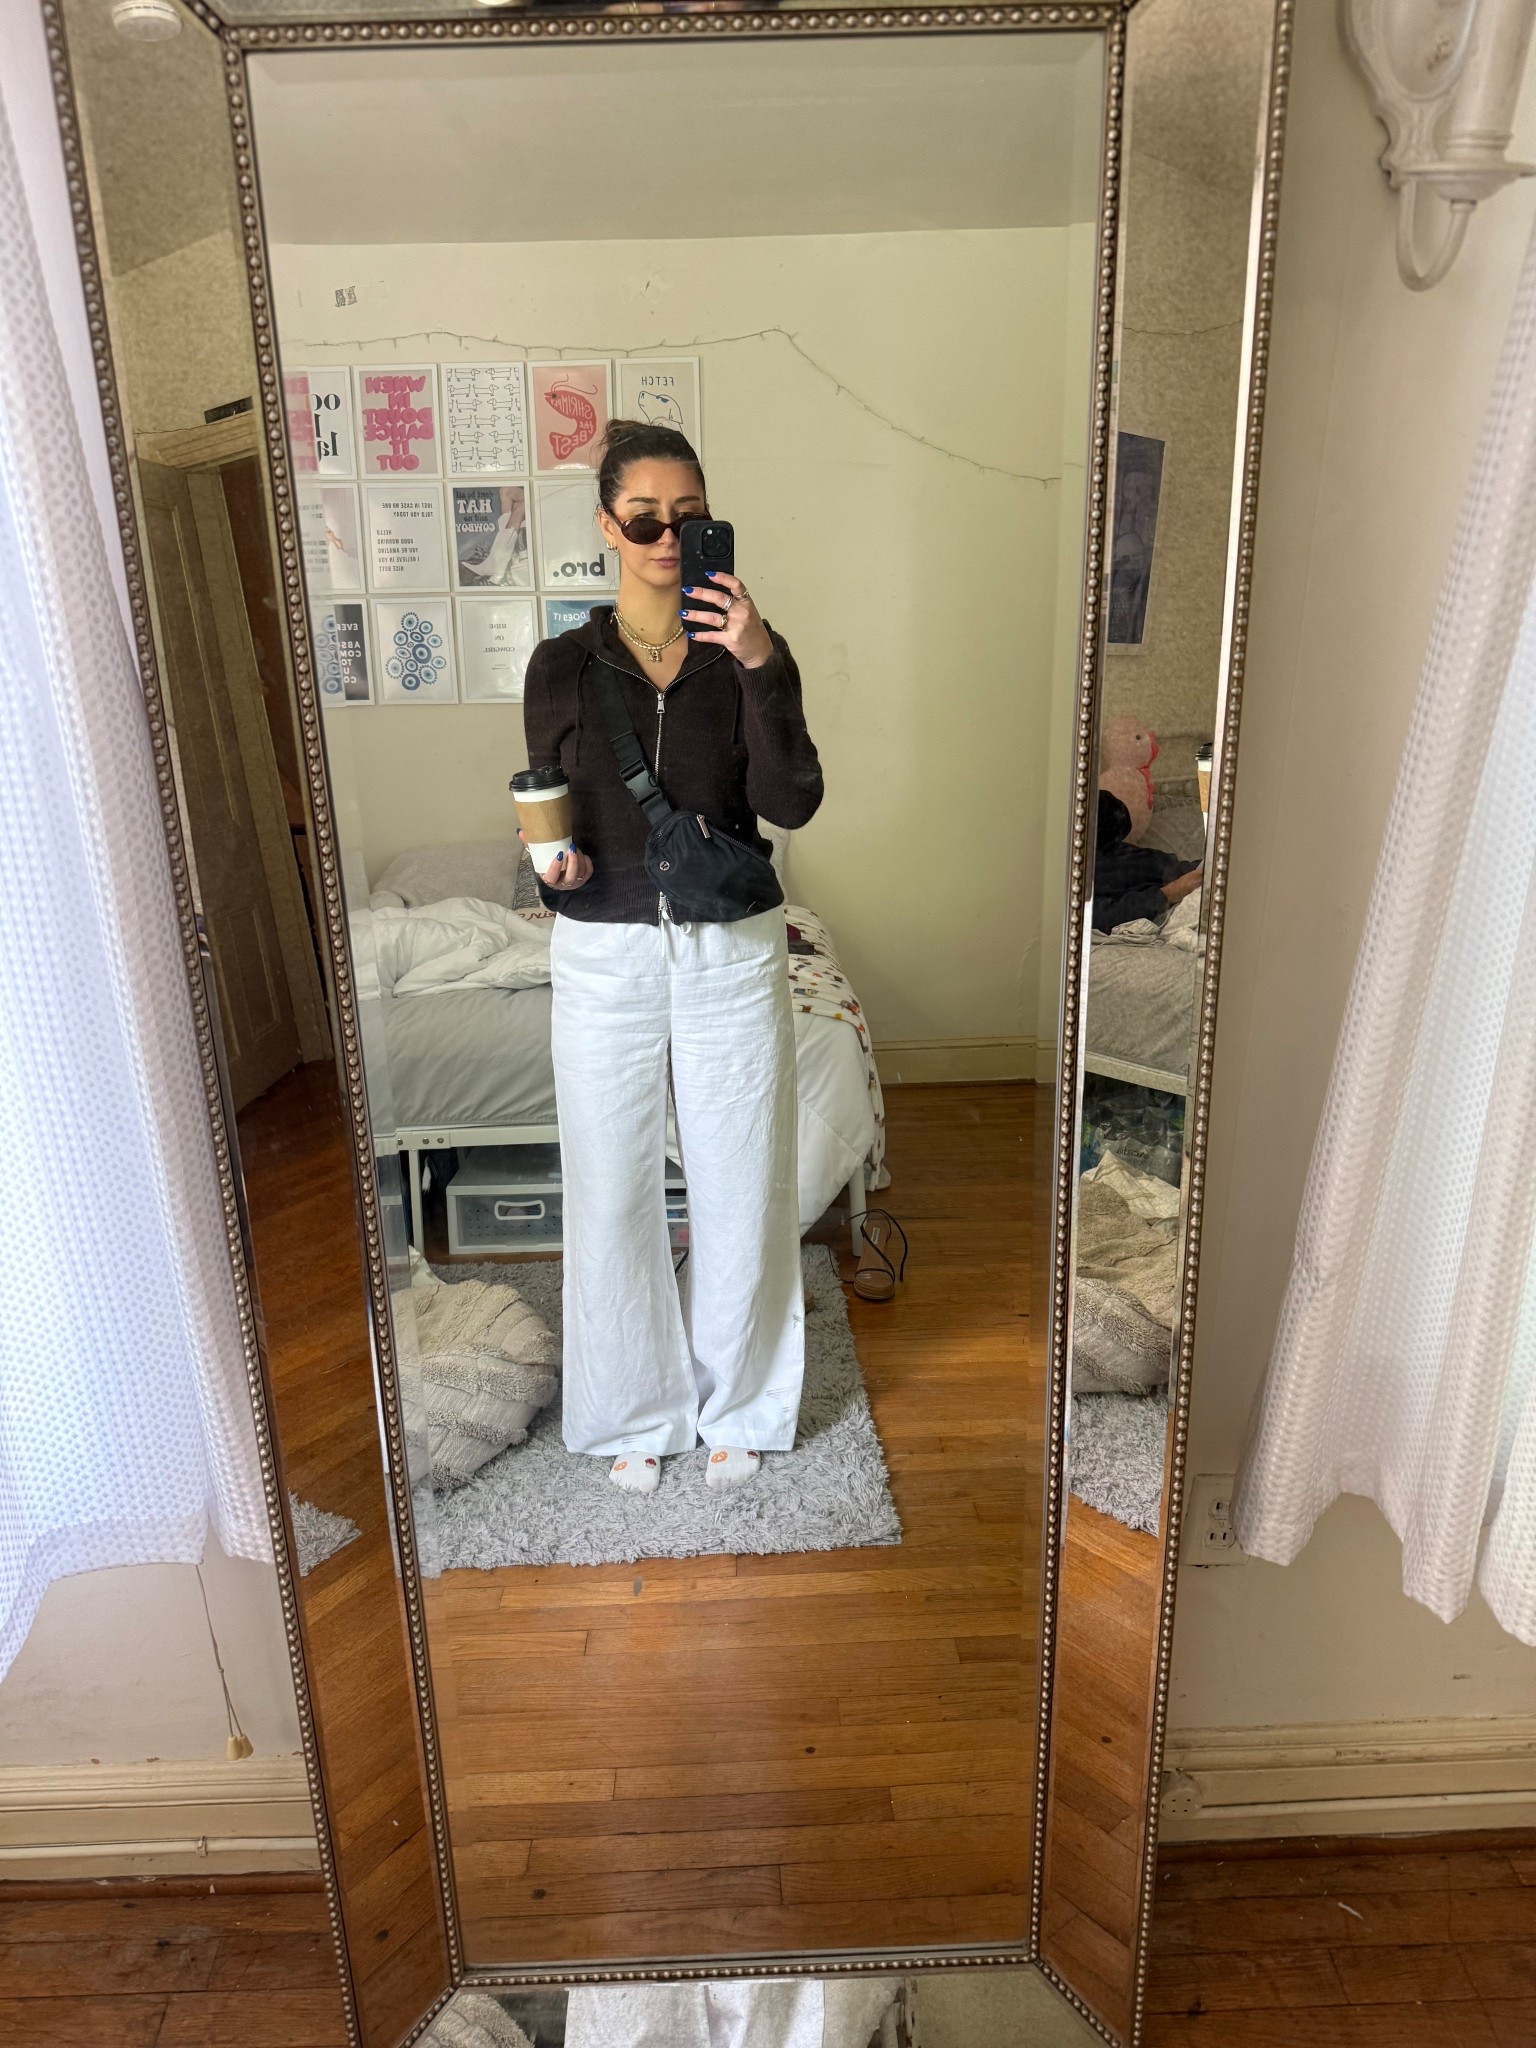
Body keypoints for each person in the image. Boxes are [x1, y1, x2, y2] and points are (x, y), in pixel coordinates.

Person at [521, 418, 823, 1495]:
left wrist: (758, 660)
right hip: (601, 952)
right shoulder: (561, 665)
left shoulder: (749, 654)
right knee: (610, 1192)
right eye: (643, 518)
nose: (665, 537)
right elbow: (545, 805)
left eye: (687, 518)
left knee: (741, 1185)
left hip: (728, 951)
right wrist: (552, 870)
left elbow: (793, 800)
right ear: (606, 526)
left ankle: (740, 1402)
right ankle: (633, 1408)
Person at [1092, 790, 1202, 933]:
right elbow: (1102, 916)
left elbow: (1180, 868)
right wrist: (1167, 894)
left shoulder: (1134, 854)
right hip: (1161, 912)